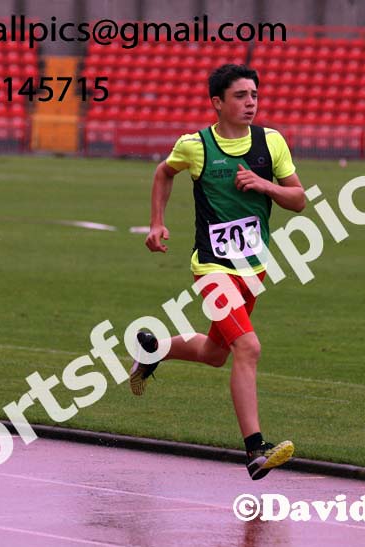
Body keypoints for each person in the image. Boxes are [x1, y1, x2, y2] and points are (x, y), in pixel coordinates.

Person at [131, 63, 306, 480]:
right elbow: (163, 172)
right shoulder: (196, 145)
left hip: (253, 269)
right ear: (218, 102)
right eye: (241, 96)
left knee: (215, 353)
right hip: (211, 268)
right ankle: (256, 449)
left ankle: (152, 350)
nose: (251, 103)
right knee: (248, 347)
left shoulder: (271, 143)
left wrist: (266, 186)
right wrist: (156, 222)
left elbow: (298, 199)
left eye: (255, 96)